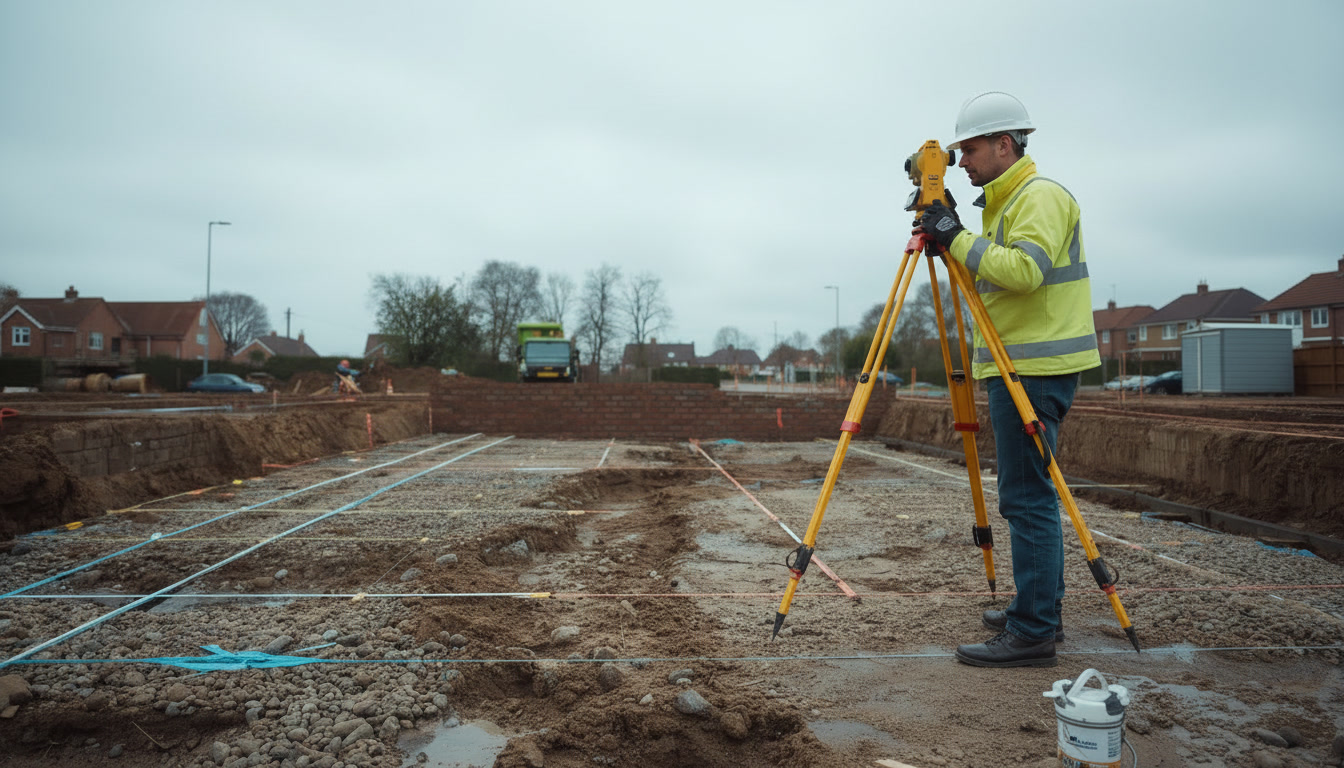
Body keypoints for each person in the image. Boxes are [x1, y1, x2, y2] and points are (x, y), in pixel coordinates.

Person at [915, 91, 1100, 668]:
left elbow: (1024, 272)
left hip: (1034, 370)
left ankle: (1035, 629)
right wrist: (954, 229)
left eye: (968, 150)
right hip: (1015, 365)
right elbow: (993, 268)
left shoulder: (1038, 196)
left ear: (1005, 144)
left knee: (1026, 499)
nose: (961, 161)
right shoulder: (1004, 203)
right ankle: (1040, 605)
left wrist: (956, 235)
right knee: (1026, 496)